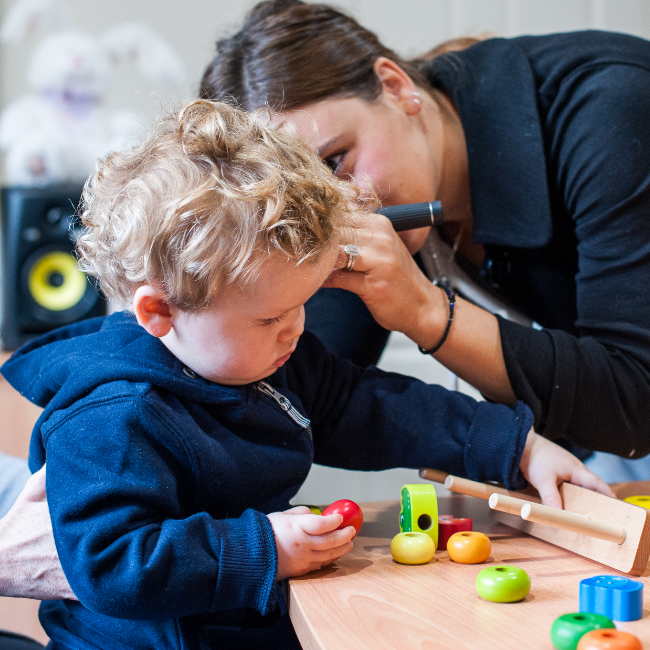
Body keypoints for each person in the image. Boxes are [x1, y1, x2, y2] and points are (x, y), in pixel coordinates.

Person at [0, 99, 610, 648]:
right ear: (159, 312)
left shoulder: (267, 358)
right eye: (270, 316)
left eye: (303, 303)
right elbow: (111, 565)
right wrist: (261, 548)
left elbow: (364, 407)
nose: (295, 330)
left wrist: (515, 444)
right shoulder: (112, 417)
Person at [200, 0, 650, 479]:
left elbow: (635, 407)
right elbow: (300, 389)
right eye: (301, 192)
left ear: (396, 86)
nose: (339, 207)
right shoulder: (363, 196)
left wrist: (426, 312)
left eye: (334, 161)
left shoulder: (612, 108)